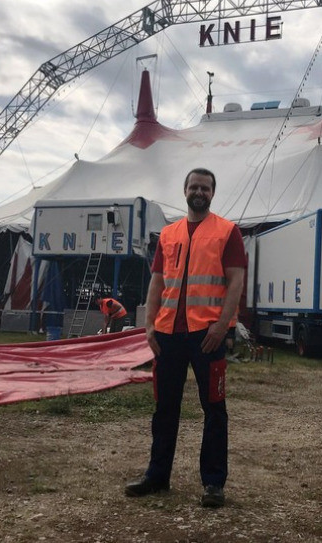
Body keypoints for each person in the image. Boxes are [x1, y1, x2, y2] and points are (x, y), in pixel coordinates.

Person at [125, 167, 245, 508]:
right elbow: (157, 282)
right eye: (194, 186)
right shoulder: (169, 234)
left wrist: (222, 326)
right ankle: (157, 475)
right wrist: (149, 325)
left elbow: (235, 282)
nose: (199, 192)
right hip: (168, 336)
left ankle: (213, 483)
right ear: (185, 190)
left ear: (212, 193)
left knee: (215, 409)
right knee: (165, 408)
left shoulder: (227, 232)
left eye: (205, 188)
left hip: (207, 336)